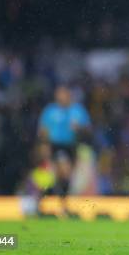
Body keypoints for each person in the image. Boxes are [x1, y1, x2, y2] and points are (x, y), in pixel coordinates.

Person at [38, 85, 91, 215]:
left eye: (62, 94)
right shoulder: (50, 111)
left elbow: (88, 129)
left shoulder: (78, 110)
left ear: (68, 95)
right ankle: (62, 205)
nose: (60, 97)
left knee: (64, 178)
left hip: (72, 146)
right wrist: (44, 145)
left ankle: (43, 199)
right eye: (58, 95)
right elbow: (43, 130)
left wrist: (79, 128)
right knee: (64, 171)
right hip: (56, 145)